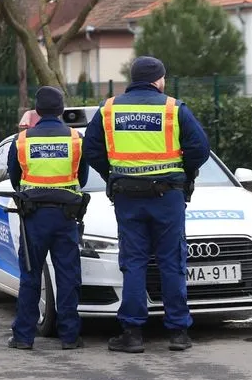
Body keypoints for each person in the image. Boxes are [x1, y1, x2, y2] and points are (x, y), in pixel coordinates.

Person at [83, 56, 211, 354]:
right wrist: (184, 173)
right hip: (168, 197)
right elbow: (200, 149)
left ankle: (132, 333)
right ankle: (178, 332)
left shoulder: (109, 109)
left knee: (134, 262)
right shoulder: (173, 108)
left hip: (128, 197)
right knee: (171, 261)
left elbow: (92, 150)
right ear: (159, 79)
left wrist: (112, 176)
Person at [5, 86, 90, 351]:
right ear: (62, 110)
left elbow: (14, 177)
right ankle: (69, 337)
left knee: (30, 277)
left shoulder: (21, 141)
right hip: (66, 216)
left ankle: (23, 337)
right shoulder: (76, 139)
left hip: (34, 218)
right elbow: (83, 178)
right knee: (67, 276)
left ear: (37, 111)